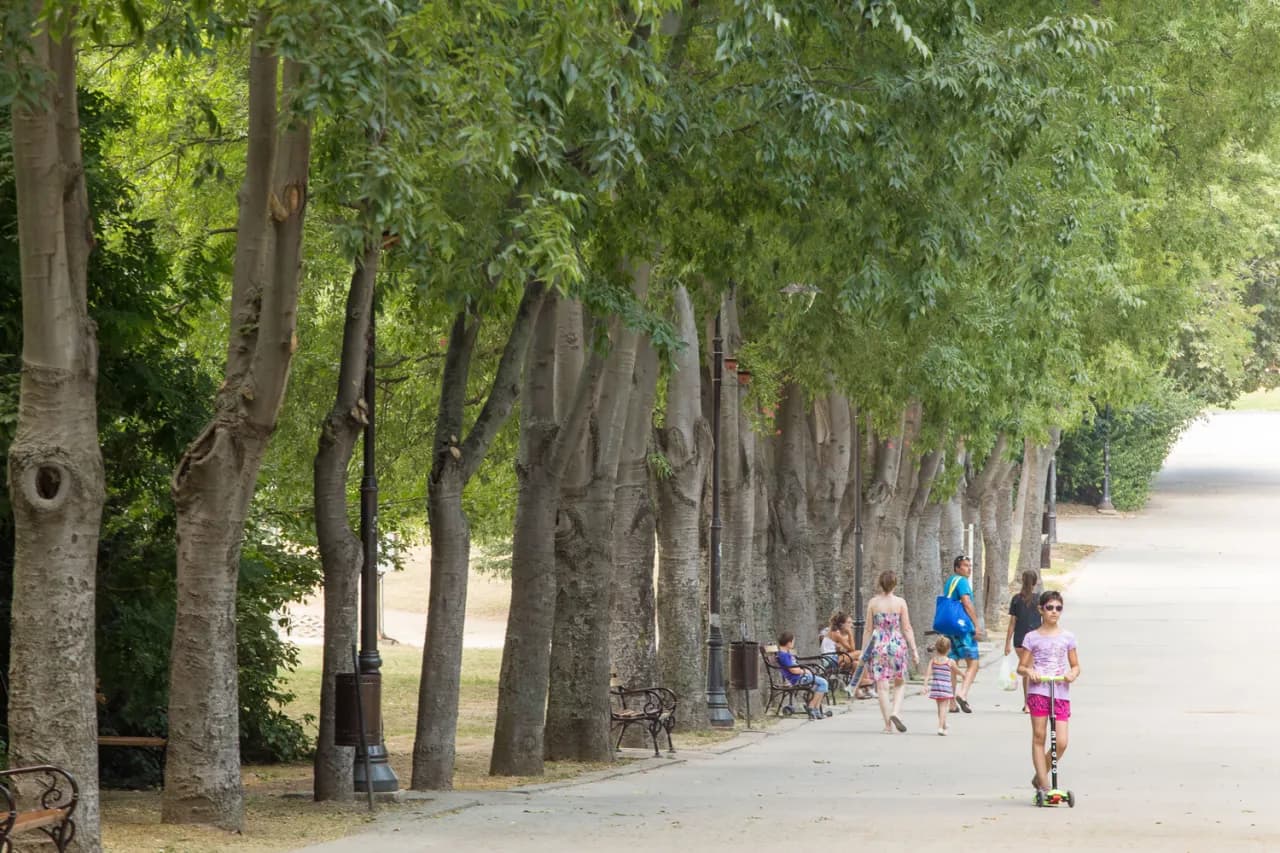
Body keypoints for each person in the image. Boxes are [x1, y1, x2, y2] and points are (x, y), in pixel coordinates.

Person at [1016, 590, 1080, 795]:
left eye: (1058, 608)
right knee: (1039, 736)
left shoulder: (1068, 637)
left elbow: (1076, 665)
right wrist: (1030, 671)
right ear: (1041, 610)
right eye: (1050, 607)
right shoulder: (1031, 637)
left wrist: (1072, 674)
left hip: (1060, 691)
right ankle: (1044, 785)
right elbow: (1021, 667)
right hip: (1039, 690)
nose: (1054, 612)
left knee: (1061, 742)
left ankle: (1040, 773)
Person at [865, 570, 919, 733]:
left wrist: (863, 652)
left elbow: (868, 629)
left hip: (879, 644)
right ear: (895, 584)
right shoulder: (900, 602)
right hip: (896, 644)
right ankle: (896, 712)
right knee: (900, 682)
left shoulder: (873, 603)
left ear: (880, 584)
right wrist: (914, 649)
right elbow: (907, 627)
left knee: (882, 686)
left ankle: (888, 724)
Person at [942, 554, 984, 713]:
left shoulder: (950, 582)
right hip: (962, 627)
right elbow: (966, 603)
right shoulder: (963, 582)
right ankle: (963, 693)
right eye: (965, 565)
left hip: (949, 627)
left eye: (969, 565)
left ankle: (952, 703)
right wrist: (976, 624)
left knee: (953, 662)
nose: (969, 568)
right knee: (973, 662)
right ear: (957, 568)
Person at [1004, 569, 1043, 712]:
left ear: (1022, 580)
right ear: (1035, 582)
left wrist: (1007, 643)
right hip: (1034, 638)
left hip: (1019, 639)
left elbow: (1012, 623)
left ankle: (1027, 703)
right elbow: (1044, 619)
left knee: (1026, 670)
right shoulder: (1039, 599)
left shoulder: (1016, 599)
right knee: (1030, 670)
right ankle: (1030, 703)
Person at [776, 631, 829, 720]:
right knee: (823, 683)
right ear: (789, 643)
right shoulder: (784, 655)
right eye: (793, 642)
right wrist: (804, 671)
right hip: (798, 679)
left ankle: (815, 708)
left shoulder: (785, 654)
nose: (793, 644)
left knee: (821, 684)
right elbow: (793, 670)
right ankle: (812, 707)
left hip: (799, 677)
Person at [820, 612, 871, 698]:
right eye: (849, 622)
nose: (851, 624)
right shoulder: (835, 633)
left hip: (836, 659)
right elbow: (852, 649)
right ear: (841, 624)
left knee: (856, 663)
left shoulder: (839, 634)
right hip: (830, 661)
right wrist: (850, 633)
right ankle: (863, 681)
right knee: (859, 653)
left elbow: (848, 649)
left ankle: (857, 692)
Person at [924, 636, 960, 736]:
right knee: (944, 708)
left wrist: (925, 686)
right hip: (945, 688)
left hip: (936, 687)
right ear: (949, 649)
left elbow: (927, 674)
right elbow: (956, 671)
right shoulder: (950, 661)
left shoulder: (933, 661)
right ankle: (940, 727)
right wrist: (963, 675)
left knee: (940, 708)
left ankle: (943, 725)